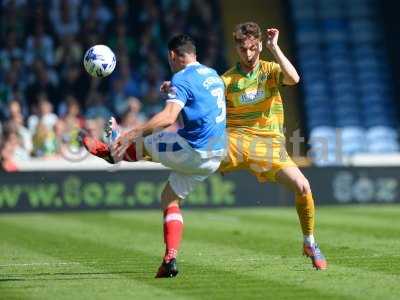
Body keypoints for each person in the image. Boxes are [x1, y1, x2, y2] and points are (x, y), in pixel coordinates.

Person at [82, 34, 226, 278]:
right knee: (169, 198)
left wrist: (132, 133)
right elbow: (201, 101)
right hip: (215, 154)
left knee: (145, 141)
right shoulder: (212, 74)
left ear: (172, 55)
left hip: (192, 150)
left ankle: (112, 152)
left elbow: (169, 118)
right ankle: (170, 259)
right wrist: (175, 89)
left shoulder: (182, 78)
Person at [217, 22, 327, 270]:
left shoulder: (269, 70)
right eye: (243, 49)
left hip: (269, 149)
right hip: (235, 143)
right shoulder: (226, 80)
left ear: (258, 46)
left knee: (302, 186)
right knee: (187, 160)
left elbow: (294, 78)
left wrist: (274, 48)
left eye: (253, 49)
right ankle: (129, 149)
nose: (248, 54)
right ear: (236, 47)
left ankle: (309, 242)